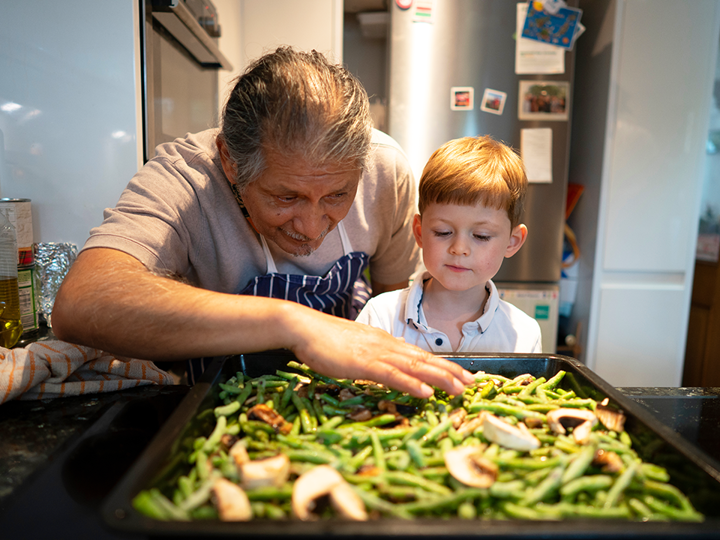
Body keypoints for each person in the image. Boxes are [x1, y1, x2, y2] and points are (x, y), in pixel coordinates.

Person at [51, 47, 473, 398]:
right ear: (231, 162)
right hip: (213, 400)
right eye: (285, 197)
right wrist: (294, 324)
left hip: (341, 400)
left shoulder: (386, 170)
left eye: (337, 196)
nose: (310, 228)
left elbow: (394, 298)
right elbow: (81, 302)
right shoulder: (185, 179)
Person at [355, 135, 542, 354]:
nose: (459, 248)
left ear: (512, 242)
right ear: (419, 232)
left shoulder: (523, 334)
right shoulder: (380, 317)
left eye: (481, 236)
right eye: (443, 232)